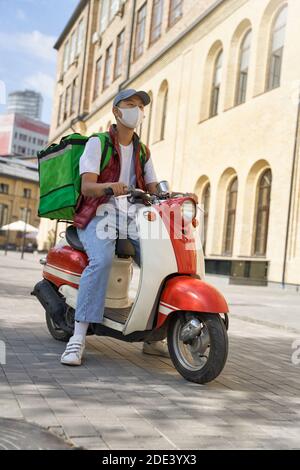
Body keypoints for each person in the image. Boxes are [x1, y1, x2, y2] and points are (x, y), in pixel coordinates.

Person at [61, 89, 169, 366]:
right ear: (117, 112)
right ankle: (78, 337)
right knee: (102, 259)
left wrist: (167, 194)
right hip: (97, 215)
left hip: (133, 219)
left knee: (162, 262)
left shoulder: (142, 150)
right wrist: (111, 187)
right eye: (130, 105)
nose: (137, 111)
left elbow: (153, 185)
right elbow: (87, 186)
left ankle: (154, 336)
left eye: (140, 106)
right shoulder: (98, 143)